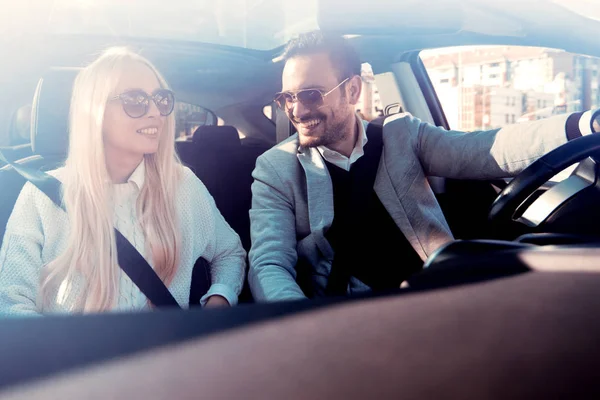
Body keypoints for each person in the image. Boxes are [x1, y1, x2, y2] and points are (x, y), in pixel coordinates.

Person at [248, 31, 600, 302]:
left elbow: (487, 148)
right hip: (350, 315)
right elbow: (269, 264)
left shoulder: (402, 136)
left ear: (352, 90)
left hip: (435, 294)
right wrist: (303, 322)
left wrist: (587, 125)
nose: (296, 110)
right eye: (287, 98)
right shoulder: (276, 168)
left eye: (310, 94)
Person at [0, 47, 246, 314]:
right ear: (95, 112)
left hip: (171, 352)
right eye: (135, 100)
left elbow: (230, 253)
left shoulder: (182, 186)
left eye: (160, 99)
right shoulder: (40, 197)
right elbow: (11, 303)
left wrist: (217, 303)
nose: (155, 112)